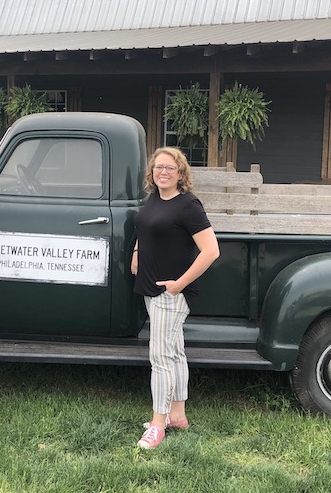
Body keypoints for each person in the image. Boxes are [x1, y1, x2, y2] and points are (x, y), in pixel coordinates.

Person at [131, 147, 220, 449]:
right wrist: (136, 253)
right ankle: (177, 415)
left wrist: (179, 284)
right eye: (158, 167)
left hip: (170, 291)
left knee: (161, 358)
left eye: (170, 168)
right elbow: (147, 230)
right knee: (175, 352)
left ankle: (158, 424)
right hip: (151, 288)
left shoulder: (188, 205)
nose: (163, 172)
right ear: (152, 172)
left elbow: (211, 250)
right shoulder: (154, 199)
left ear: (181, 173)